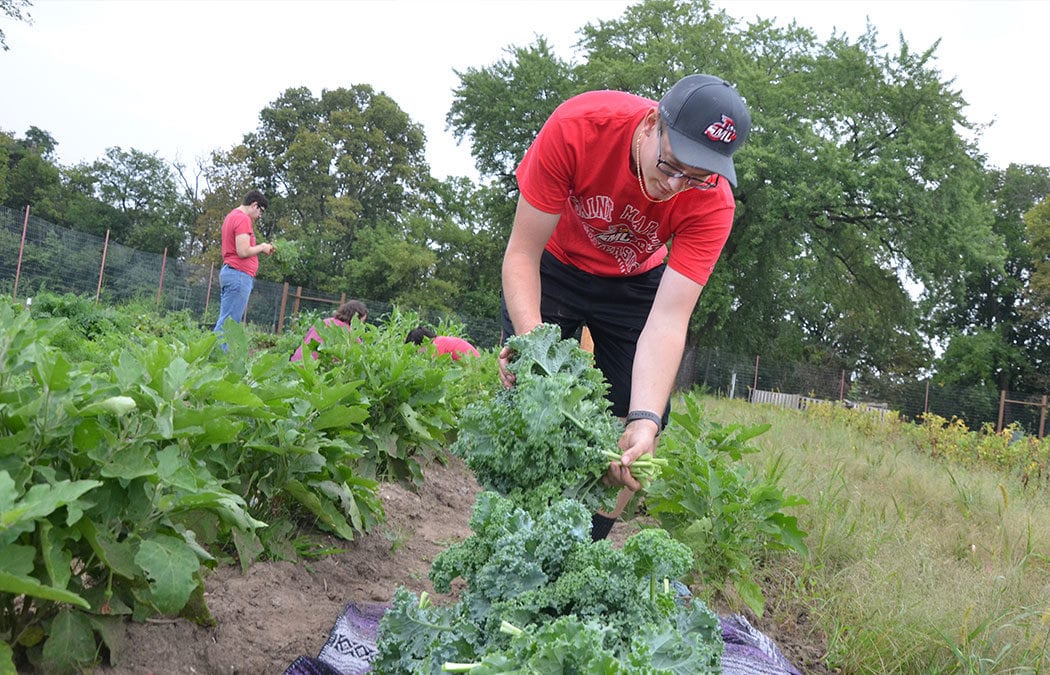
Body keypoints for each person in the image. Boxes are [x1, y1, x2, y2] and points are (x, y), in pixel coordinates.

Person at [498, 74, 750, 539]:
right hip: (553, 263)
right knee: (529, 397)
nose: (674, 185)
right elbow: (521, 254)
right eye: (672, 164)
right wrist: (533, 344)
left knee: (637, 423)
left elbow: (670, 319)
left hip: (633, 282)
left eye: (695, 176)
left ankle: (584, 544)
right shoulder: (580, 126)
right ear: (653, 122)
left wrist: (645, 419)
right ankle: (513, 535)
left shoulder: (712, 204)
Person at [213, 189, 276, 335]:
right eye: (261, 211)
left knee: (226, 321)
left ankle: (215, 354)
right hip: (239, 275)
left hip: (232, 272)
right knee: (228, 325)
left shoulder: (231, 216)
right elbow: (243, 251)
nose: (260, 216)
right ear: (254, 205)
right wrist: (262, 247)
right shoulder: (243, 219)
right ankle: (215, 355)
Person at [291, 299, 368, 362]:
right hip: (316, 369)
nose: (362, 325)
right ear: (355, 318)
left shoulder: (325, 322)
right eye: (362, 321)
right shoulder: (351, 335)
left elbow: (306, 339)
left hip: (298, 361)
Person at [406, 325, 480, 361]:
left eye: (416, 350)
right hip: (475, 362)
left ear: (422, 343)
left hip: (473, 366)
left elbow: (435, 366)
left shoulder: (437, 345)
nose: (418, 353)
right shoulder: (440, 340)